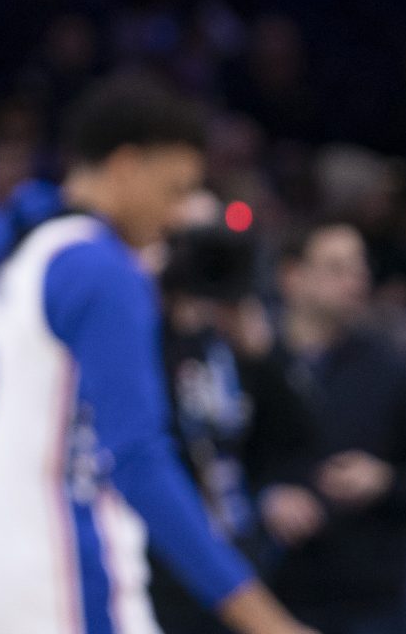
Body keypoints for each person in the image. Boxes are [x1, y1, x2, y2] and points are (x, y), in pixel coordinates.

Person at [0, 76, 313, 634]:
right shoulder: (101, 269)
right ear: (126, 165)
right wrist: (266, 621)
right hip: (70, 593)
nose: (177, 214)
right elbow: (139, 460)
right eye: (174, 189)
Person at [270, 221, 406, 634]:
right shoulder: (257, 365)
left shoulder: (391, 370)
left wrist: (384, 481)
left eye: (360, 268)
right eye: (337, 268)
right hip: (272, 597)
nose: (355, 281)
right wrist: (270, 497)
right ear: (292, 276)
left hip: (372, 603)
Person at [150, 225, 315, 634]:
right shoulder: (147, 339)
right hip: (164, 567)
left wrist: (263, 355)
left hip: (239, 553)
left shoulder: (237, 347)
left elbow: (296, 436)